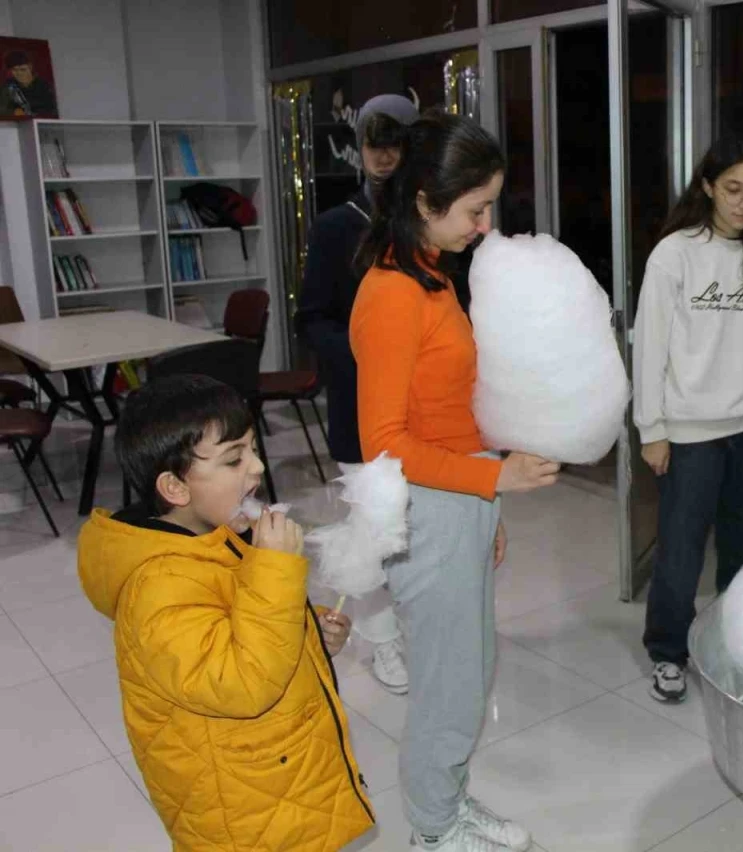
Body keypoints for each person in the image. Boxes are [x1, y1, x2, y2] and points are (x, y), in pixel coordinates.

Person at [349, 110, 559, 852]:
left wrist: (486, 504)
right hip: (426, 509)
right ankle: (434, 831)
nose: (485, 224)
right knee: (449, 682)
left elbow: (450, 409)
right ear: (425, 202)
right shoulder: (392, 294)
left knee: (470, 670)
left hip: (457, 500)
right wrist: (491, 480)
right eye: (475, 209)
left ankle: (448, 802)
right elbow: (383, 443)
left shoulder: (432, 273)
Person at [77, 374, 373, 851]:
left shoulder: (218, 537)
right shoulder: (158, 587)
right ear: (175, 487)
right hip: (240, 808)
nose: (257, 467)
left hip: (272, 776)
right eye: (234, 458)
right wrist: (275, 569)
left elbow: (244, 625)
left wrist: (307, 632)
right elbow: (242, 683)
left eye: (253, 448)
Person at [633, 137, 743, 705]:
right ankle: (667, 651)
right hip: (691, 433)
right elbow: (650, 345)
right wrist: (652, 429)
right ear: (707, 187)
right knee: (680, 551)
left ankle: (736, 645)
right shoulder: (675, 254)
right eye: (732, 189)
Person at [295, 93, 419, 696]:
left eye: (395, 144)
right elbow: (311, 318)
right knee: (369, 532)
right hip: (359, 406)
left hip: (422, 409)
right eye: (374, 143)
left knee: (416, 529)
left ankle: (415, 623)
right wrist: (361, 355)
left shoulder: (429, 219)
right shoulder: (336, 224)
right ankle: (382, 641)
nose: (384, 156)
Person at [2, 50, 56, 117]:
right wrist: (13, 112)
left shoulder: (45, 86)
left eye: (23, 69)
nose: (19, 74)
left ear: (30, 67)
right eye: (15, 70)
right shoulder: (8, 86)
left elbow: (53, 110)